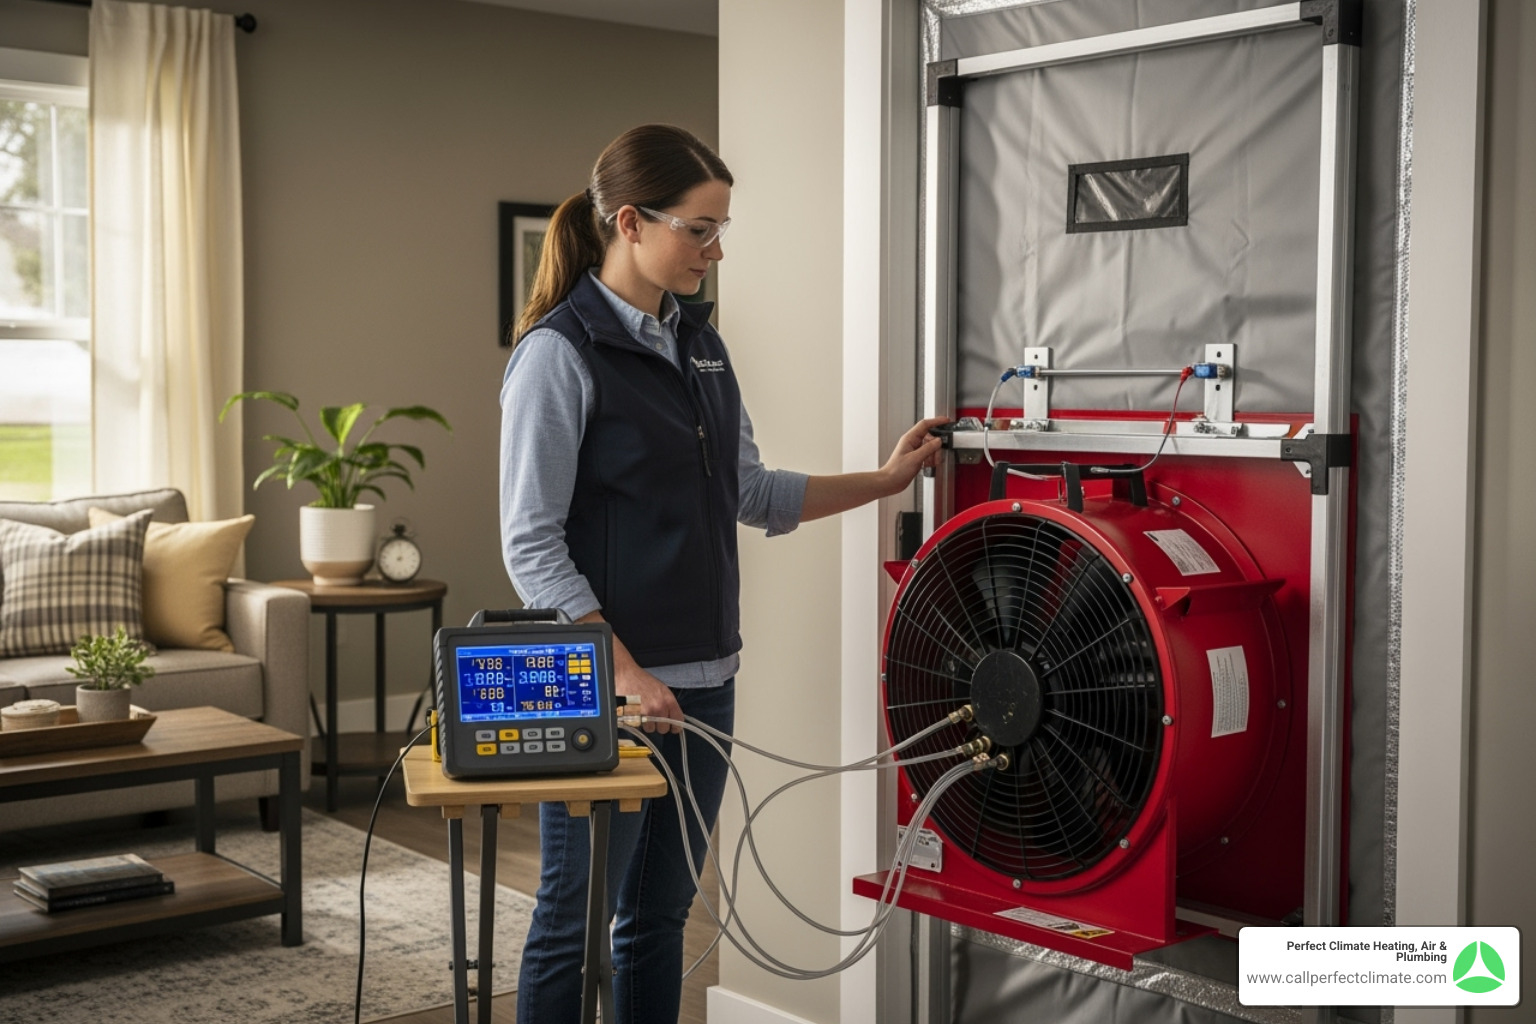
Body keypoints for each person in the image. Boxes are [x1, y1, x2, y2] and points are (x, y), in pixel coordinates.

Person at [500, 123, 945, 1024]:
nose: (715, 247)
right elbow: (530, 542)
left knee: (658, 915)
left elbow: (753, 492)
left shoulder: (701, 345)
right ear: (630, 221)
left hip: (705, 682)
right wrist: (624, 673)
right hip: (603, 692)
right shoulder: (559, 353)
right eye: (698, 228)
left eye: (720, 227)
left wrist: (887, 479)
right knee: (573, 920)